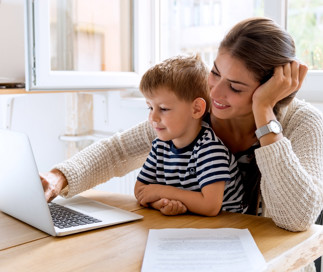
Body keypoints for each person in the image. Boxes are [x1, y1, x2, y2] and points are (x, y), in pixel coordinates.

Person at [40, 17, 323, 234]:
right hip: (203, 248)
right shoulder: (199, 111)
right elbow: (119, 150)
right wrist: (57, 178)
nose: (216, 93)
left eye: (235, 87)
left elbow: (297, 219)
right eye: (215, 73)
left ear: (272, 88)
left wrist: (263, 113)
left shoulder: (302, 123)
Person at [134, 54, 246, 216]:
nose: (153, 117)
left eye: (163, 109)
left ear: (196, 109)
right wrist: (161, 203)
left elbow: (210, 206)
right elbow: (141, 191)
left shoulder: (210, 149)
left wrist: (161, 191)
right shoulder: (160, 146)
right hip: (190, 225)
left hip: (227, 229)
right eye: (150, 108)